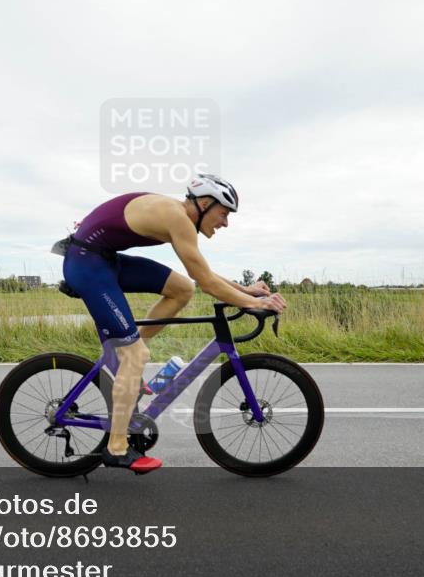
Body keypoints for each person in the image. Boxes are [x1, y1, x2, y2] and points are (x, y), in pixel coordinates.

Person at [59, 174, 288, 474]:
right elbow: (208, 282)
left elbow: (200, 274)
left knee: (182, 288)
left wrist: (246, 292)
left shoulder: (179, 217)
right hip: (87, 264)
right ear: (204, 204)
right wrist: (256, 303)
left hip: (103, 259)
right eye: (224, 214)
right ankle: (116, 447)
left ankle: (126, 359)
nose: (225, 223)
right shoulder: (177, 218)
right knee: (136, 355)